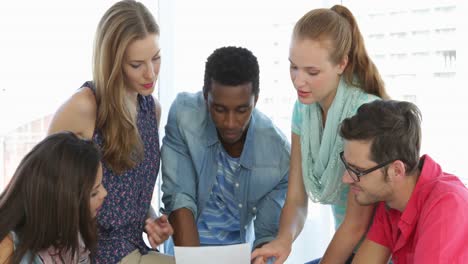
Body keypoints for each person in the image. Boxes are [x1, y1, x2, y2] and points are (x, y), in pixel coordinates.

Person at [252, 5, 389, 264]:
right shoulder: (303, 110)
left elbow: (356, 225)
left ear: (342, 63)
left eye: (312, 72)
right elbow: (296, 196)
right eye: (293, 67)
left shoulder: (366, 112)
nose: (298, 81)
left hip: (383, 253)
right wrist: (283, 240)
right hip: (349, 249)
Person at [47, 1, 174, 263]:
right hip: (88, 253)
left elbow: (128, 197)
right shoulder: (85, 107)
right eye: (137, 64)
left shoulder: (152, 110)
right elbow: (39, 185)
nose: (151, 73)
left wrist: (149, 220)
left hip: (134, 248)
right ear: (113, 63)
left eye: (156, 58)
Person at [160, 46, 290, 255]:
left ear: (255, 100)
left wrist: (260, 259)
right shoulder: (184, 116)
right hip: (183, 254)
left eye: (241, 110)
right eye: (219, 109)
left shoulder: (278, 158)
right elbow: (179, 197)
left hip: (238, 255)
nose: (230, 123)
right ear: (205, 97)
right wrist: (193, 262)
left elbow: (267, 235)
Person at [339, 100, 468, 263]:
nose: (345, 179)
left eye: (357, 170)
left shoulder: (447, 207)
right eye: (346, 165)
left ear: (397, 171)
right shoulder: (390, 199)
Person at [0, 131, 107, 263]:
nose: (104, 194)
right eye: (94, 193)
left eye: (101, 184)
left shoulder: (72, 236)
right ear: (60, 202)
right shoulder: (7, 249)